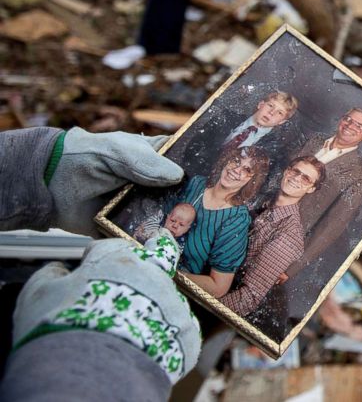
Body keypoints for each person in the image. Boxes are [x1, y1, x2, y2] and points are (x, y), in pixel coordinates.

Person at [0, 126, 200, 402]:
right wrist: (100, 359)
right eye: (174, 220)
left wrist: (35, 165)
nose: (176, 225)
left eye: (182, 224)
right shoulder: (155, 226)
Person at [219, 156, 325, 316]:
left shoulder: (289, 235)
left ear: (311, 189)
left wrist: (198, 299)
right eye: (296, 171)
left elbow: (247, 298)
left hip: (218, 294)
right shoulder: (260, 199)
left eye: (306, 179)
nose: (297, 178)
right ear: (287, 171)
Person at [283, 107, 362, 281]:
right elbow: (281, 172)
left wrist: (292, 268)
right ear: (341, 119)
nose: (350, 126)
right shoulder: (313, 140)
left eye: (359, 126)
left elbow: (331, 226)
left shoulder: (361, 176)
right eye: (348, 119)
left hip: (287, 239)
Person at [176, 146, 270, 297]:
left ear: (252, 181)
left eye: (247, 170)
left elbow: (218, 287)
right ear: (227, 160)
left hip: (177, 285)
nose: (237, 170)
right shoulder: (196, 183)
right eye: (236, 161)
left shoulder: (237, 220)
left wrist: (169, 273)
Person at [168, 90, 300, 177]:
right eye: (271, 106)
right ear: (261, 104)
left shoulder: (272, 148)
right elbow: (195, 144)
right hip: (189, 170)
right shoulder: (227, 117)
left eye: (280, 113)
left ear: (281, 122)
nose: (271, 113)